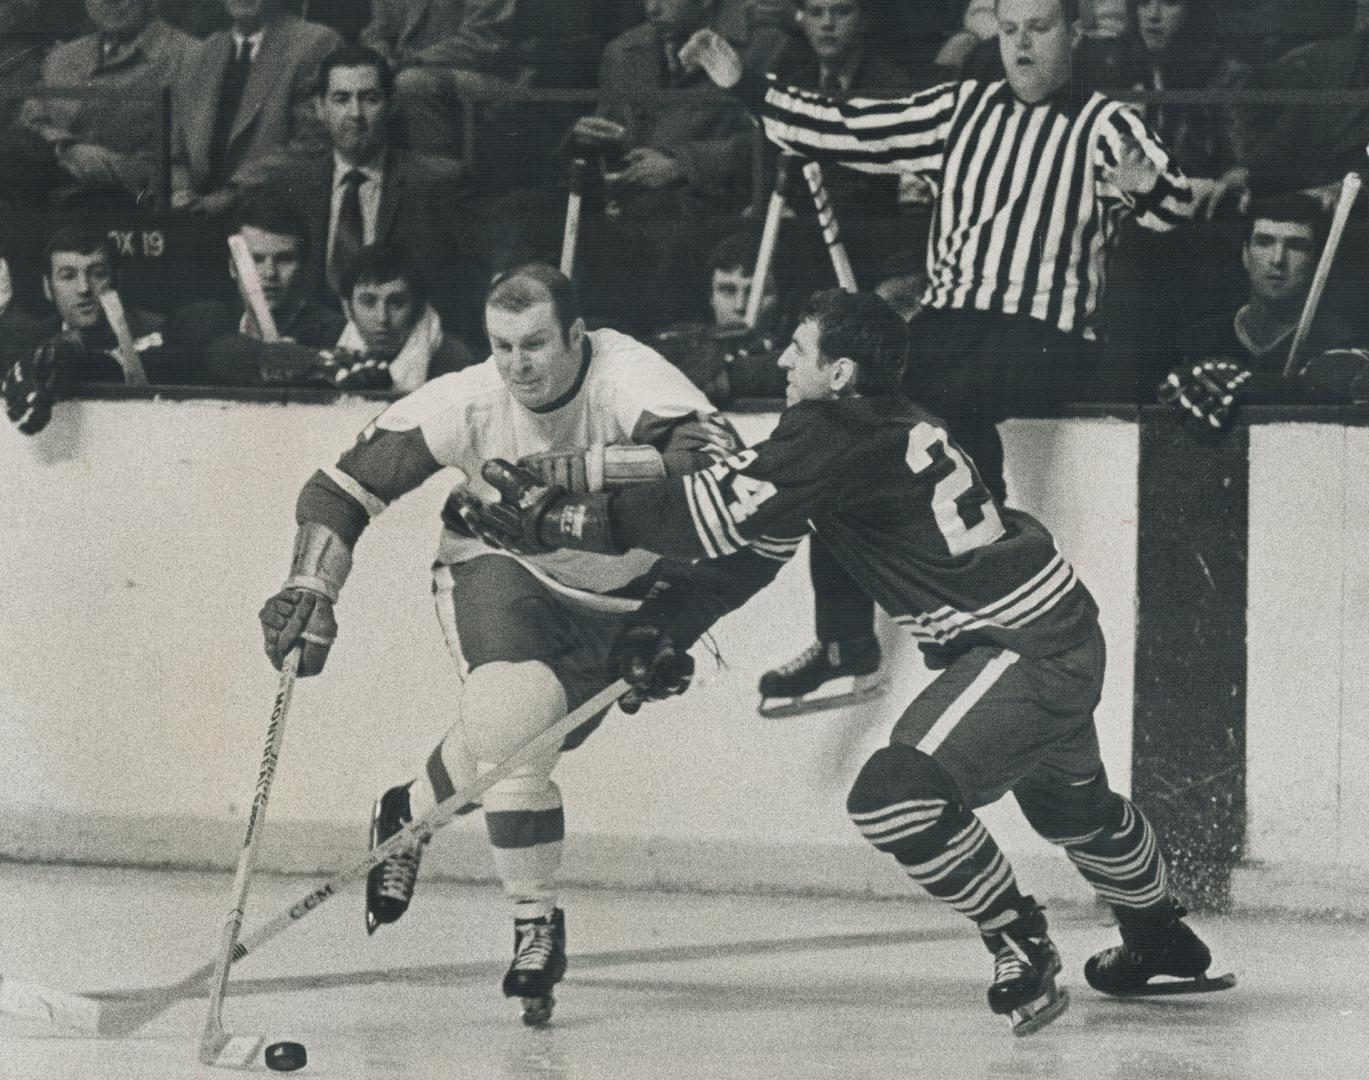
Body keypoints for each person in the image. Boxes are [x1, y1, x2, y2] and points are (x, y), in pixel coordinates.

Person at [455, 287, 1233, 1037]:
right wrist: (662, 626)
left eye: (799, 350)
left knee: (894, 795)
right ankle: (1159, 936)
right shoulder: (873, 427)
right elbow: (751, 552)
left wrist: (558, 518)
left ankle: (1018, 939)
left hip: (1018, 647)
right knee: (1071, 808)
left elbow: (706, 521)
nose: (783, 362)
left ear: (839, 373)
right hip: (1054, 628)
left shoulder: (826, 434)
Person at [256, 263, 744, 1025]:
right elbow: (338, 490)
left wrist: (579, 469)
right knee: (512, 714)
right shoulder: (468, 399)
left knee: (522, 744)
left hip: (619, 593)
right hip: (497, 564)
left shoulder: (626, 374)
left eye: (537, 344)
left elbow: (717, 463)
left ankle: (407, 814)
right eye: (503, 345)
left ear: (577, 336)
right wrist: (310, 586)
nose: (518, 365)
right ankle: (534, 922)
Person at [678, 0, 1195, 715]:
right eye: (1009, 29)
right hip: (946, 323)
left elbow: (1176, 208)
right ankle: (842, 641)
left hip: (1044, 331)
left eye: (1039, 28)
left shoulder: (1107, 124)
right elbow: (842, 125)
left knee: (947, 410)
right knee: (841, 425)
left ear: (1072, 33)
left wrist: (1147, 190)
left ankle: (985, 606)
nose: (1021, 45)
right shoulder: (959, 110)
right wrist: (743, 84)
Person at [256, 43, 482, 334]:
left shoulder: (437, 184)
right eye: (341, 99)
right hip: (310, 347)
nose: (355, 113)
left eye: (369, 98)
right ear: (320, 108)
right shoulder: (289, 184)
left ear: (391, 105)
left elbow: (466, 292)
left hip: (405, 348)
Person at [1160, 193, 1359, 426]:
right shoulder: (1199, 340)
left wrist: (1257, 386)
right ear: (1245, 255)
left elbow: (1342, 384)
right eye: (1264, 242)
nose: (1277, 259)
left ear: (1317, 262)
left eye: (1296, 246)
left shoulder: (1340, 339)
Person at [5, 1, 195, 206]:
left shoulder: (190, 57)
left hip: (127, 209)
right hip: (39, 193)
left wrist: (95, 162)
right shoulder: (63, 56)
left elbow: (185, 168)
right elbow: (29, 120)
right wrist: (65, 146)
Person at [170, 0, 341, 217]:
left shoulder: (314, 43)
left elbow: (312, 144)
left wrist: (229, 196)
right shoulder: (202, 54)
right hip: (194, 220)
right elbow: (174, 151)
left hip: (271, 217)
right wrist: (182, 191)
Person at [2, 227, 167, 434]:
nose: (84, 288)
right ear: (47, 287)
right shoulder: (31, 340)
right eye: (68, 276)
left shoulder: (154, 330)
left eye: (97, 274)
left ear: (114, 281)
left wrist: (75, 347)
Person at [164, 195, 345, 384]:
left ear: (304, 266)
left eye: (284, 259)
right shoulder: (200, 319)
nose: (269, 273)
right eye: (255, 260)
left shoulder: (337, 333)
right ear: (233, 268)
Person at [257, 242, 479, 393]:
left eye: (396, 303)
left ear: (418, 308)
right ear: (347, 308)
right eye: (368, 302)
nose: (382, 318)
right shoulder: (324, 347)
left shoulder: (455, 362)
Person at [649, 230, 791, 403]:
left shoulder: (799, 352)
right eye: (728, 290)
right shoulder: (679, 342)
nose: (740, 305)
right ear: (710, 298)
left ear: (780, 298)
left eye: (756, 292)